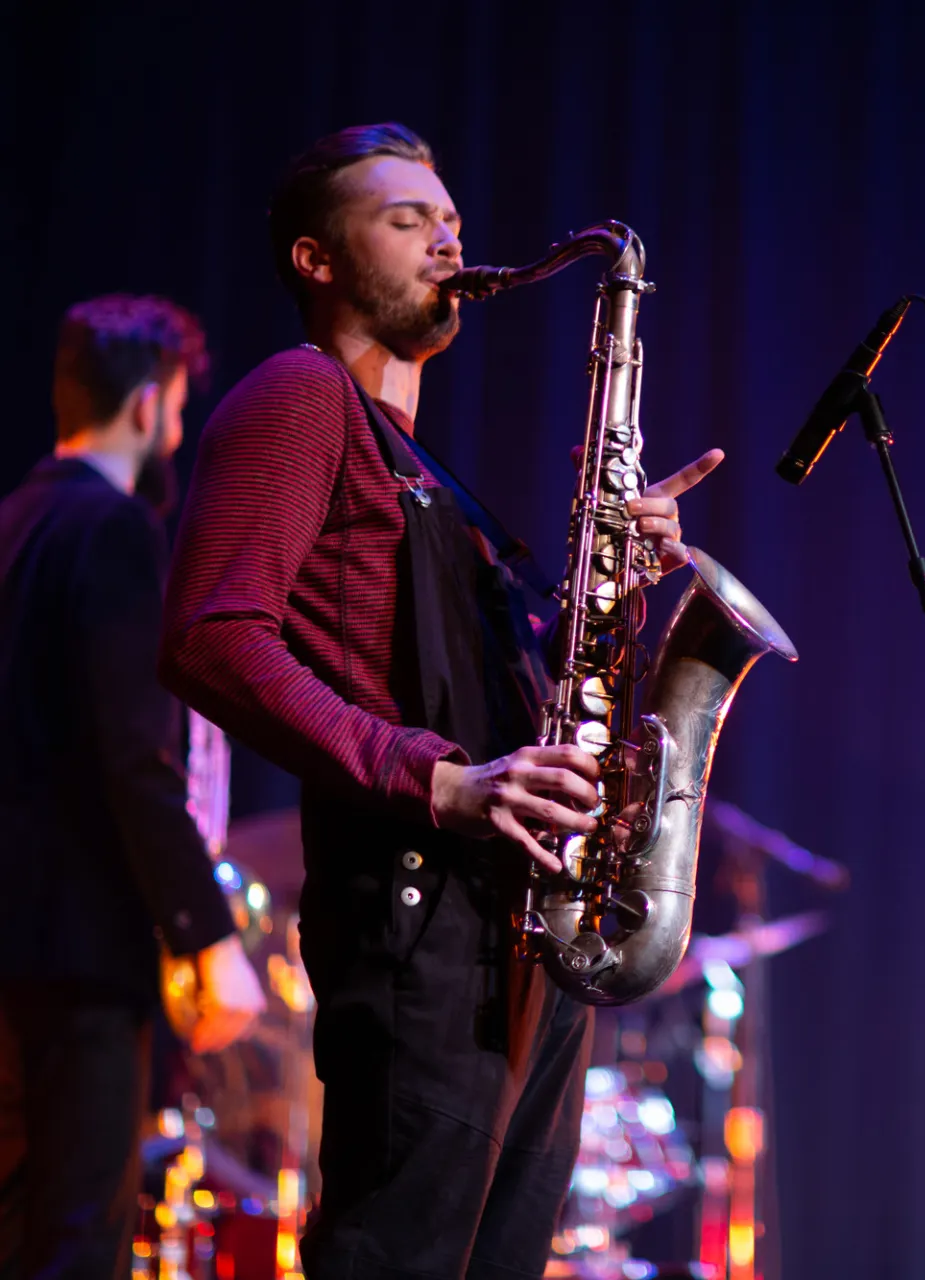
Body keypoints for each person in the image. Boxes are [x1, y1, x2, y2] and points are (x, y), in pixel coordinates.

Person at [157, 123, 721, 1279]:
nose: (446, 237)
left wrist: (612, 582)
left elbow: (478, 681)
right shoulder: (300, 396)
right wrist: (439, 777)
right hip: (422, 918)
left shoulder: (422, 468)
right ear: (318, 259)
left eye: (449, 217)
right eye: (405, 218)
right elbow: (211, 635)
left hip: (514, 920)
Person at [0, 295, 266, 1279]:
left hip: (15, 949)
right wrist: (207, 934)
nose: (181, 430)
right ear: (151, 407)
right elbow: (132, 754)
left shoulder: (14, 519)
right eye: (184, 407)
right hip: (81, 948)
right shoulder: (112, 531)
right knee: (79, 1238)